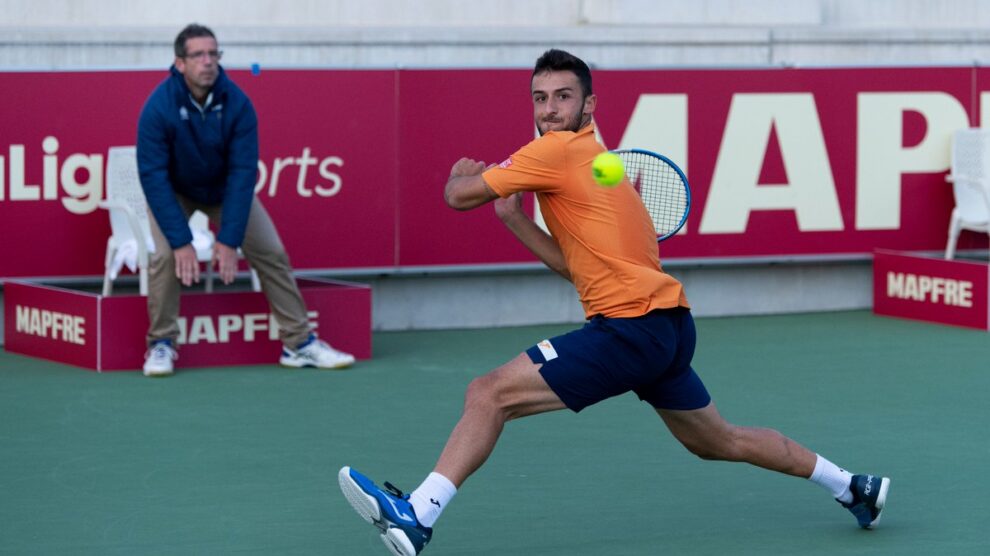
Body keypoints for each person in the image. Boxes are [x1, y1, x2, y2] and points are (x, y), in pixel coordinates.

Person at [338, 49, 889, 555]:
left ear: (589, 103)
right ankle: (853, 487)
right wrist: (511, 218)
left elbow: (459, 197)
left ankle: (417, 514)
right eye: (539, 98)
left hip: (629, 329)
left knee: (489, 394)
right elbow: (573, 268)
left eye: (563, 97)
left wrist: (463, 177)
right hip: (667, 330)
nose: (550, 110)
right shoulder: (599, 165)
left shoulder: (555, 151)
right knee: (719, 440)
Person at [136, 23, 354, 377]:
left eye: (213, 54)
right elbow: (153, 177)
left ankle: (298, 344)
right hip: (174, 191)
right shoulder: (158, 107)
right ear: (180, 63)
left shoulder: (237, 103)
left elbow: (242, 173)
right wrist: (181, 242)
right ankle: (161, 343)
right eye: (198, 55)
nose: (208, 62)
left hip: (225, 191)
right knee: (163, 257)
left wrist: (229, 238)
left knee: (271, 252)